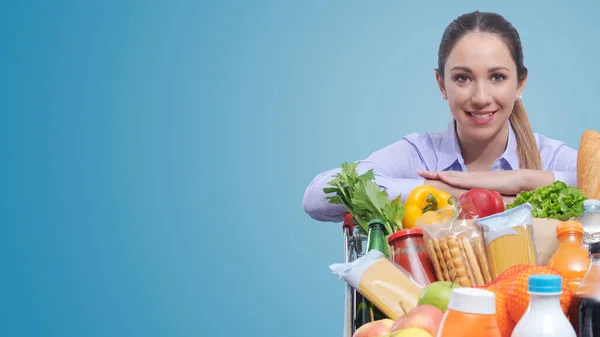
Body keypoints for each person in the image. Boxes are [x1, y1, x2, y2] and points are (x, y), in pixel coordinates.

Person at [303, 10, 577, 223]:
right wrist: (441, 190)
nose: (481, 97)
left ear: (520, 84)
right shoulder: (420, 156)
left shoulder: (548, 156)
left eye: (497, 77)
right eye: (462, 78)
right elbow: (317, 196)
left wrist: (522, 181)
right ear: (442, 85)